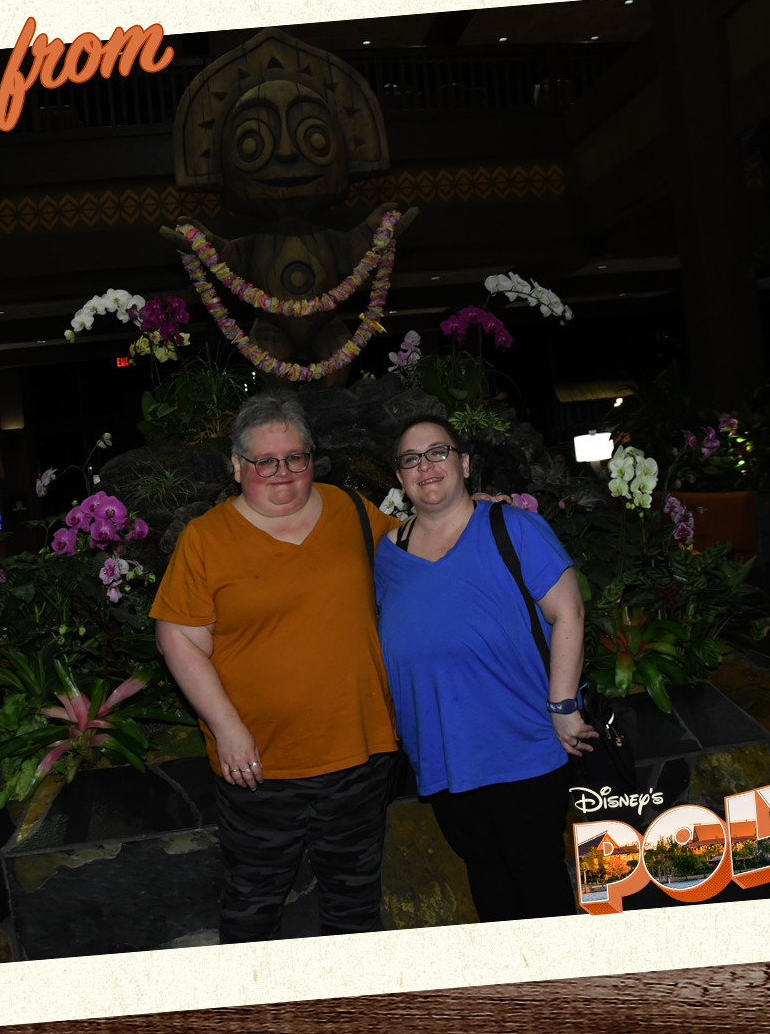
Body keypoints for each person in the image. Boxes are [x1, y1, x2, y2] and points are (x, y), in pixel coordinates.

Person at [150, 393, 402, 943]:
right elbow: (179, 638)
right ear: (237, 467)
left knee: (355, 903)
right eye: (265, 461)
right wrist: (227, 727)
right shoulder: (205, 540)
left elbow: (421, 553)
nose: (282, 473)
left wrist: (472, 509)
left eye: (295, 458)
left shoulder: (352, 511)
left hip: (358, 752)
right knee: (252, 903)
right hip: (258, 764)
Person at [373, 415, 595, 922]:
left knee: (537, 882)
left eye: (438, 452)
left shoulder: (511, 526)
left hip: (522, 747)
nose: (425, 466)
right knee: (487, 881)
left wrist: (563, 705)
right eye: (411, 459)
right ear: (401, 478)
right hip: (443, 755)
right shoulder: (387, 554)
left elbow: (569, 613)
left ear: (465, 462)